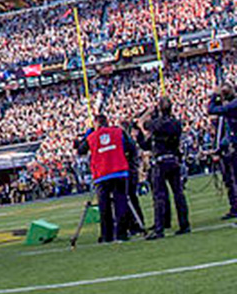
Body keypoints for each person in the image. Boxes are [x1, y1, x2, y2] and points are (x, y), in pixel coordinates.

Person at [77, 114, 134, 243]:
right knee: (121, 203)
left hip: (102, 175)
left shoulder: (92, 137)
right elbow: (131, 147)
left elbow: (81, 150)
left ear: (96, 124)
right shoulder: (119, 132)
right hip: (119, 171)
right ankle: (121, 234)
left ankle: (107, 235)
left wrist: (87, 135)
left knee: (104, 206)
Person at [142, 97, 191, 239]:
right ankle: (184, 224)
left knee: (159, 196)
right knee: (178, 193)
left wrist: (148, 112)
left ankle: (159, 229)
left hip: (161, 161)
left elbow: (143, 124)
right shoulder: (176, 123)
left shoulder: (157, 124)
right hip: (174, 159)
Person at [207, 83, 237, 219]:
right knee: (231, 180)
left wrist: (214, 96)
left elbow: (212, 109)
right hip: (231, 147)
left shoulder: (232, 106)